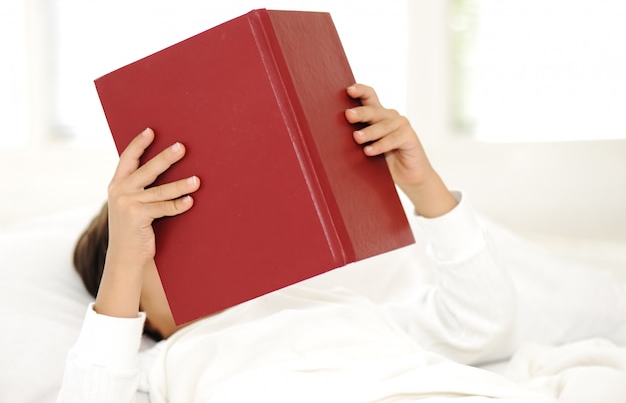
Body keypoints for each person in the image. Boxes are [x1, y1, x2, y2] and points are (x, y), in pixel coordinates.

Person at [58, 84, 565, 402]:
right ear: (135, 311)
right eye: (155, 249)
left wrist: (422, 185)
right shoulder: (159, 368)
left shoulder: (335, 306)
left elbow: (482, 322)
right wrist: (125, 258)